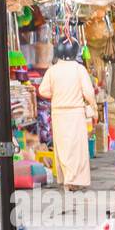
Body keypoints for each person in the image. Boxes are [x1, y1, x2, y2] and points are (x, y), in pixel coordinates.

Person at [38, 39, 96, 188]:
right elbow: (88, 92)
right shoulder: (78, 69)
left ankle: (67, 179)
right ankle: (73, 179)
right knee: (76, 147)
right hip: (75, 112)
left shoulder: (53, 69)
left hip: (58, 112)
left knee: (63, 147)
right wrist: (93, 107)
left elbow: (42, 90)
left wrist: (57, 94)